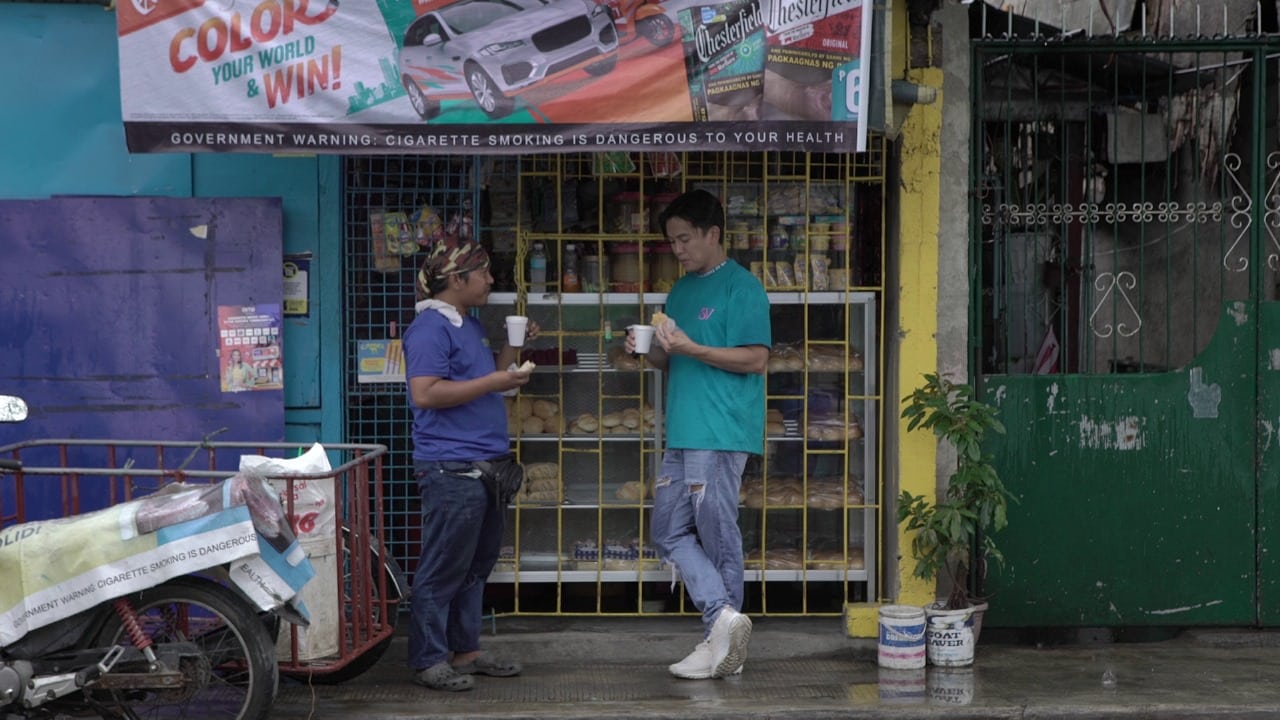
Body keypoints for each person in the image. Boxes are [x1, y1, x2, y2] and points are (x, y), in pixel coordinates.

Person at [626, 189, 771, 680]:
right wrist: (646, 350)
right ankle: (723, 622)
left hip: (722, 430)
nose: (679, 250)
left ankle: (723, 644)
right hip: (683, 430)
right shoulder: (681, 291)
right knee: (666, 531)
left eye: (685, 239)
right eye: (672, 242)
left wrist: (693, 346)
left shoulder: (743, 288)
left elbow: (756, 359)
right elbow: (670, 359)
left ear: (714, 234)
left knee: (717, 536)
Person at [402, 235, 539, 692]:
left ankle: (466, 650)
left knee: (476, 566)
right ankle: (429, 658)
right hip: (451, 467)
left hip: (485, 465)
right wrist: (497, 380)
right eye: (483, 272)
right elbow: (425, 393)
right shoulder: (429, 329)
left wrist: (511, 352)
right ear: (456, 279)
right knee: (444, 566)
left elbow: (491, 383)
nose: (491, 280)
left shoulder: (470, 325)